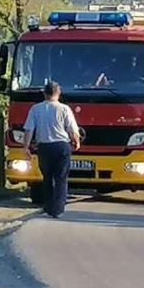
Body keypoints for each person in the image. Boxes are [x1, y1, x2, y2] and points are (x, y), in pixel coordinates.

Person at [21, 81, 82, 218]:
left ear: (44, 93)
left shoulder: (35, 109)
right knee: (61, 178)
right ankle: (58, 209)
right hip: (61, 146)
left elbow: (29, 129)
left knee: (47, 177)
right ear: (58, 93)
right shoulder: (64, 109)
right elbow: (72, 129)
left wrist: (26, 147)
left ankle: (48, 206)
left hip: (44, 147)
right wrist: (76, 142)